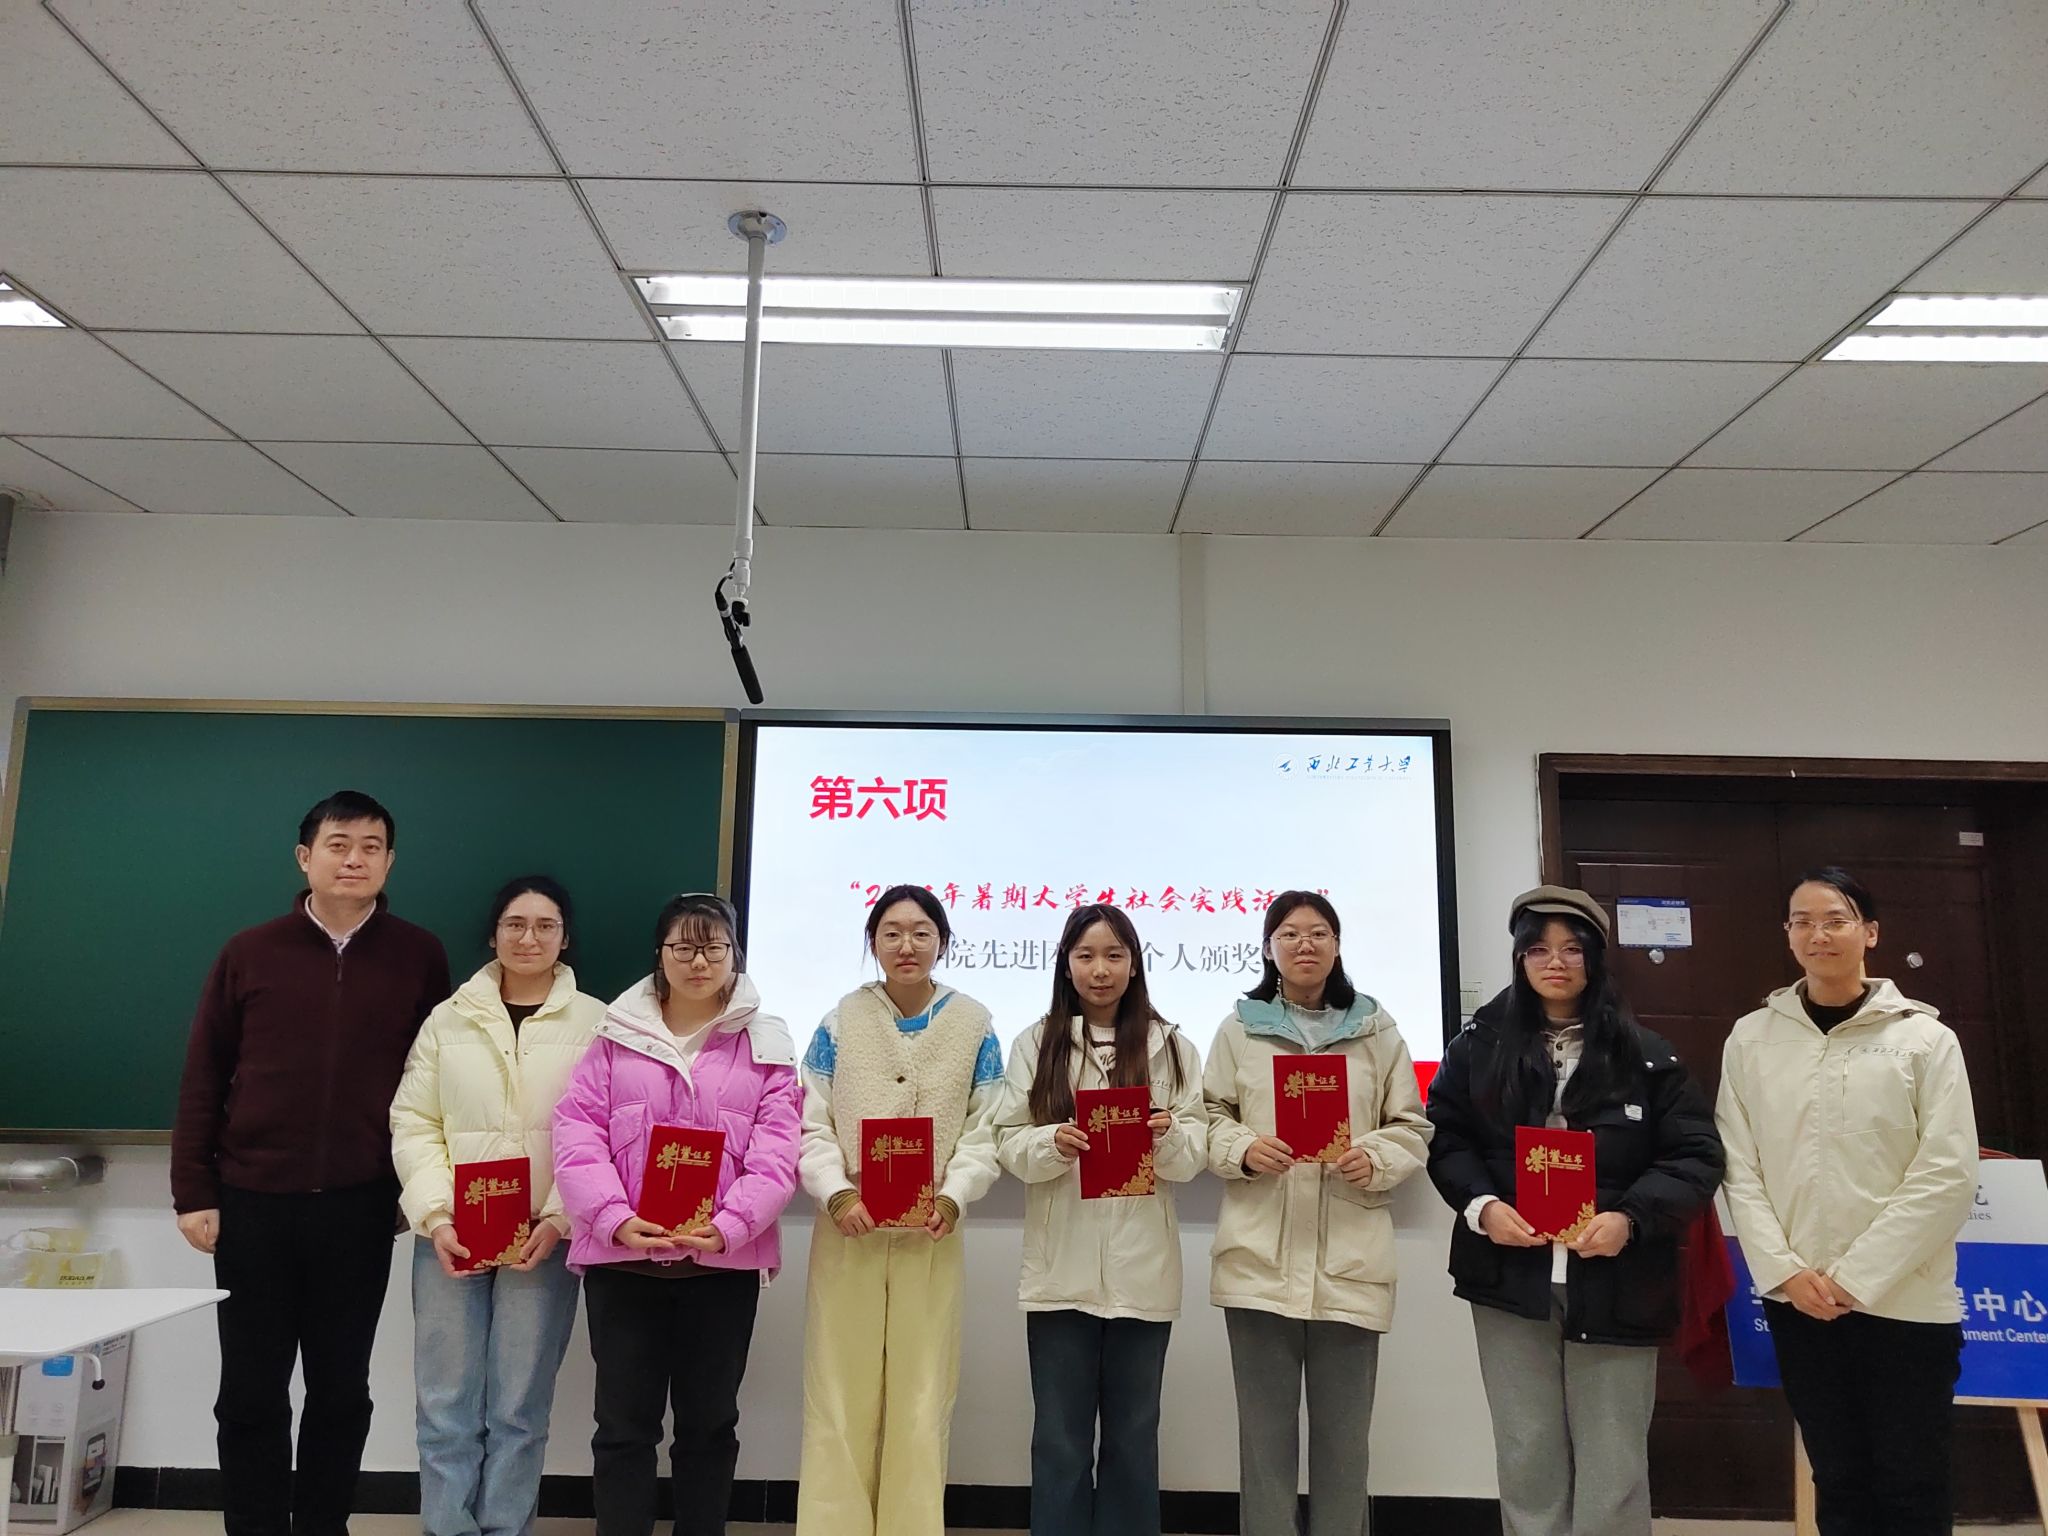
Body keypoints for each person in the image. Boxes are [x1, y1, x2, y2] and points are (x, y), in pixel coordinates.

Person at [170, 790, 451, 1536]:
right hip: (252, 1201)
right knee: (250, 1392)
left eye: (370, 847)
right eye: (338, 845)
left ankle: (325, 1527)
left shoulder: (420, 955)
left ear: (389, 861)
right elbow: (204, 1074)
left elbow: (436, 1084)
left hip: (361, 1205)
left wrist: (412, 1188)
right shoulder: (249, 952)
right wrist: (193, 1190)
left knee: (341, 1390)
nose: (354, 859)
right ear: (305, 857)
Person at [1425, 885, 1723, 1536]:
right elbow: (1446, 1139)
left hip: (1618, 1278)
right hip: (1508, 1277)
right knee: (1526, 1450)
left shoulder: (1649, 1055)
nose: (1554, 962)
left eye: (1570, 948)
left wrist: (1630, 1220)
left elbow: (1695, 1157)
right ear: (1519, 959)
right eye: (1537, 949)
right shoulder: (1476, 1047)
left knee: (1614, 1459)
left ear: (1595, 956)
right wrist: (1482, 1207)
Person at [1717, 867, 1978, 1536]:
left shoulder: (1925, 1040)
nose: (1818, 934)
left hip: (1905, 1302)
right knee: (1838, 1480)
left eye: (1835, 919)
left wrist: (1857, 1277)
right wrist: (1784, 1272)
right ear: (1788, 935)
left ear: (1871, 933)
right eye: (1802, 921)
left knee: (1913, 1484)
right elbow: (1739, 1168)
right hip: (1800, 1302)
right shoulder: (1751, 1038)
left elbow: (1948, 1172)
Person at [552, 893, 802, 1536]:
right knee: (622, 1428)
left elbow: (778, 1152)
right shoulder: (615, 1036)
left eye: (714, 947)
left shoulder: (768, 1042)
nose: (699, 961)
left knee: (709, 1427)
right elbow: (577, 1132)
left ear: (734, 955)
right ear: (660, 954)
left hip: (720, 1269)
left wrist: (731, 1225)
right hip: (624, 1266)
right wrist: (612, 1216)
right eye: (683, 947)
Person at [1203, 890, 1433, 1536]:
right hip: (1258, 1263)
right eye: (1289, 933)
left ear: (1337, 946)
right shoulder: (1239, 1029)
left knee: (1344, 1445)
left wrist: (1375, 1157)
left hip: (1350, 1263)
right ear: (1268, 948)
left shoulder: (1376, 1029)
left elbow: (1411, 1125)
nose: (1305, 944)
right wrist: (1243, 1149)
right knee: (1264, 1446)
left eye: (1319, 933)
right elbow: (1207, 1116)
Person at [389, 875, 604, 1536]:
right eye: (515, 923)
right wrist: (437, 1215)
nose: (528, 937)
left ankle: (506, 1527)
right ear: (493, 934)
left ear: (565, 938)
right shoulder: (448, 1019)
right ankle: (447, 1527)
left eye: (545, 925)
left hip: (545, 1237)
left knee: (519, 1405)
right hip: (452, 1233)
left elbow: (605, 1129)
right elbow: (414, 1121)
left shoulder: (598, 1023)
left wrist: (559, 1215)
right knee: (445, 1400)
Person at [793, 884, 1005, 1536]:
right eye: (891, 933)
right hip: (849, 1228)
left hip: (930, 1231)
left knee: (921, 1395)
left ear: (942, 941)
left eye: (920, 932)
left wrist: (954, 1195)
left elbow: (986, 1128)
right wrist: (836, 1190)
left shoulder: (974, 1024)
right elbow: (809, 1121)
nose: (906, 945)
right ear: (873, 943)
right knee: (838, 1390)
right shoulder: (840, 1021)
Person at [996, 904, 1207, 1536]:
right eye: (1085, 955)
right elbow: (1007, 1140)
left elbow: (1194, 1153)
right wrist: (1050, 1143)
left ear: (1135, 965)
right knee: (1059, 1444)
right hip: (1060, 1276)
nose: (1100, 969)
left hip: (1143, 1275)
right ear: (1065, 965)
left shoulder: (1172, 1046)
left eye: (1114, 955)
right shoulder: (1037, 1043)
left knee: (1134, 1441)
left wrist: (1167, 1137)